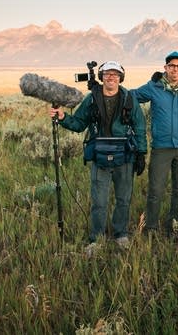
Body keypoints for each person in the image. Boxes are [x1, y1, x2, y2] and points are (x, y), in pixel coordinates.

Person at [49, 61, 147, 251]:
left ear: (121, 78)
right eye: (107, 74)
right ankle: (96, 238)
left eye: (115, 74)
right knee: (99, 201)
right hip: (99, 155)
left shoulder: (129, 99)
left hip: (125, 155)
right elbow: (78, 123)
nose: (111, 77)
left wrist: (141, 153)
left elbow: (140, 128)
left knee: (123, 199)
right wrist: (62, 118)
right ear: (101, 77)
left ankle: (121, 234)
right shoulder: (91, 99)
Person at [132, 51, 178, 235]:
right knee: (156, 189)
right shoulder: (154, 86)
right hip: (162, 147)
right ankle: (150, 226)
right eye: (171, 66)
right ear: (165, 68)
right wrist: (108, 90)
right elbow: (131, 96)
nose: (175, 69)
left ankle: (175, 226)